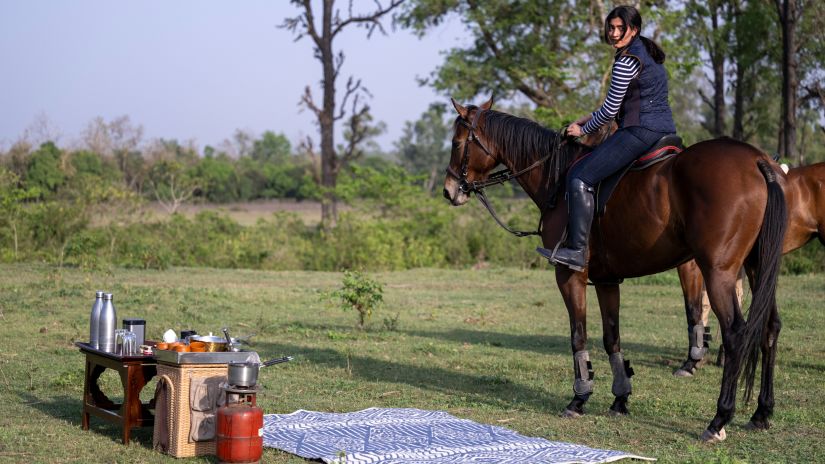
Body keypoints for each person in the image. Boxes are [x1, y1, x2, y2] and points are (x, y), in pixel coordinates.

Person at [537, 5, 677, 271]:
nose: (613, 33)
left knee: (578, 176)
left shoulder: (626, 60)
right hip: (666, 130)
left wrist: (583, 129)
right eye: (610, 28)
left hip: (639, 131)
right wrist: (587, 117)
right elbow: (619, 102)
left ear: (632, 30)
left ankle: (577, 250)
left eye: (619, 29)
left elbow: (611, 110)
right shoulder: (647, 53)